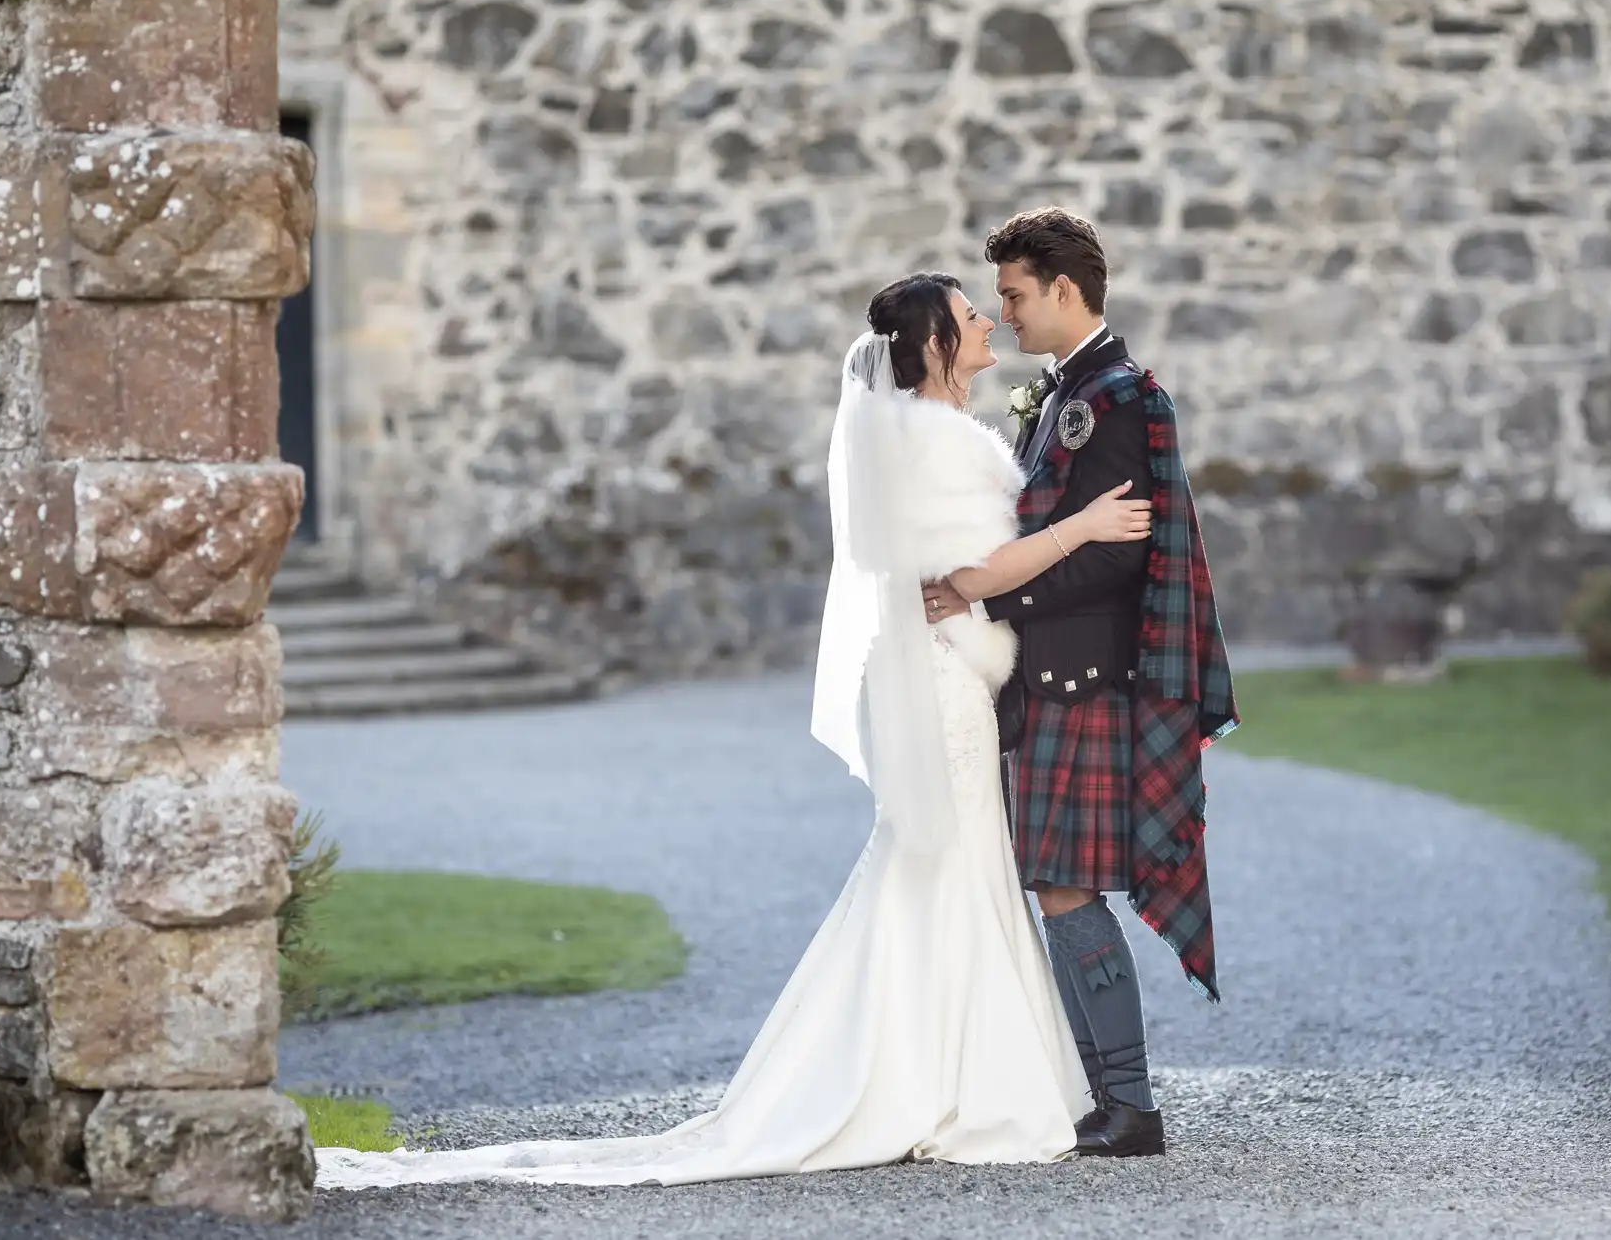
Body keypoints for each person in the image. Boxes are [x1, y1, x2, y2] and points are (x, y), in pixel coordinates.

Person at [314, 272, 1152, 1190]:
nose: (989, 321)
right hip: (953, 687)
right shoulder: (936, 443)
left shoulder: (924, 435)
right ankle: (955, 1083)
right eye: (969, 315)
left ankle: (940, 1068)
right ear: (938, 347)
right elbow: (979, 569)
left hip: (955, 679)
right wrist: (1083, 527)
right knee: (953, 872)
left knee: (942, 874)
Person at [923, 208, 1239, 1160]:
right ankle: (1111, 1099)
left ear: (1065, 289)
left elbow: (1113, 559)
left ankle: (1130, 1106)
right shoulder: (1074, 391)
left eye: (1016, 295)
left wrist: (987, 593)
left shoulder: (1111, 396)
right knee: (1054, 880)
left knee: (1062, 885)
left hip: (1082, 675)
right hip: (1059, 675)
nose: (1006, 313)